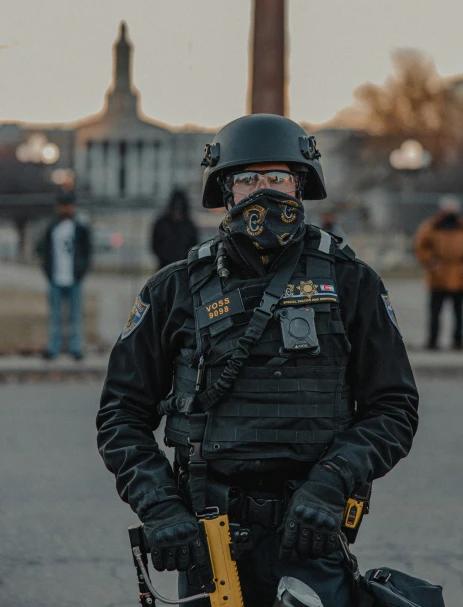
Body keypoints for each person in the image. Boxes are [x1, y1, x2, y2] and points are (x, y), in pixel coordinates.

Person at [97, 115, 419, 607]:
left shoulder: (353, 283)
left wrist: (333, 483)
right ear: (226, 191)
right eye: (248, 179)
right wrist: (160, 506)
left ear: (300, 186)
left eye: (276, 178)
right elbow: (120, 414)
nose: (262, 191)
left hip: (311, 530)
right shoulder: (175, 289)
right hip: (206, 538)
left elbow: (394, 407)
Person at [414, 196, 463, 351]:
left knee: (459, 313)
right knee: (435, 312)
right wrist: (430, 261)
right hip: (438, 277)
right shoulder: (431, 227)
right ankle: (432, 341)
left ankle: (458, 341)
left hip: (460, 276)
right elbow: (420, 245)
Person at [36, 190, 92, 360]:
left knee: (75, 315)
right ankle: (53, 348)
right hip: (56, 277)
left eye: (69, 205)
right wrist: (47, 270)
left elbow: (87, 251)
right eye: (63, 205)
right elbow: (42, 249)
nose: (66, 209)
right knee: (55, 315)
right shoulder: (52, 227)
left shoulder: (80, 228)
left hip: (74, 277)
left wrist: (81, 270)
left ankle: (75, 348)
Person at [151, 188, 200, 270]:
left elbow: (193, 246)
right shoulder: (162, 224)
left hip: (183, 268)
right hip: (164, 267)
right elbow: (155, 245)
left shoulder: (188, 225)